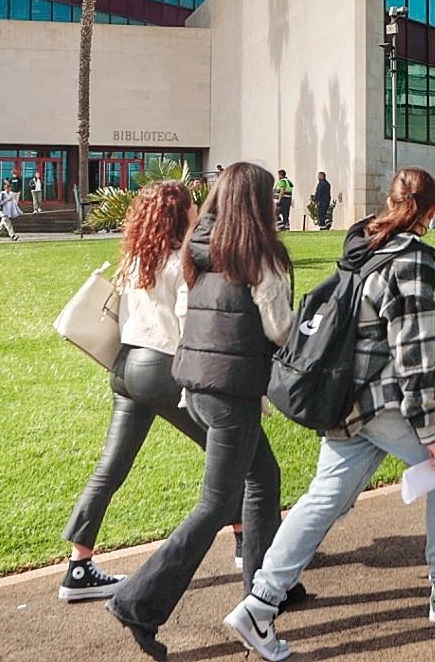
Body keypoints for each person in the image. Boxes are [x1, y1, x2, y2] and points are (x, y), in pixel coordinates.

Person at [222, 167, 435, 661]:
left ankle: (260, 601)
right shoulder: (412, 259)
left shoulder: (365, 245)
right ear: (430, 209)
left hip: (344, 398)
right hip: (385, 400)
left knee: (324, 499)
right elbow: (414, 350)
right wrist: (427, 426)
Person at [109, 162, 295, 660]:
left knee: (264, 478)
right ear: (257, 201)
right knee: (215, 505)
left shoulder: (198, 248)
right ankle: (137, 602)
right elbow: (280, 329)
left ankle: (266, 587)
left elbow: (193, 315)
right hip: (233, 391)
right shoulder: (262, 256)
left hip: (197, 383)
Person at [60, 180, 210, 601]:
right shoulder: (182, 261)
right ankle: (244, 542)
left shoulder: (134, 256)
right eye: (191, 205)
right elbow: (186, 321)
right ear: (178, 214)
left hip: (124, 367)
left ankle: (78, 566)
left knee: (111, 467)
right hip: (160, 366)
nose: (196, 209)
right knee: (228, 446)